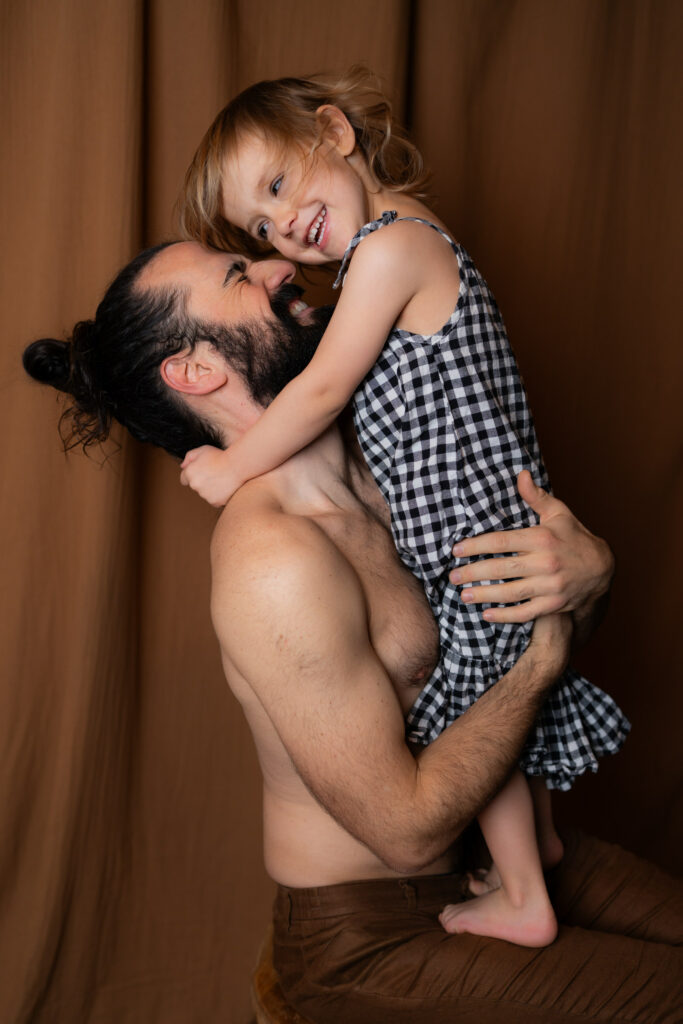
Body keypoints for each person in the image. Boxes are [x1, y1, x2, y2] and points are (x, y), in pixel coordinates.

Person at [23, 241, 683, 1022]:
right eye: (238, 277)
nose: (275, 265)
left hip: (496, 856)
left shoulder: (398, 453)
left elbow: (529, 626)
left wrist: (589, 574)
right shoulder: (273, 558)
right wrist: (542, 660)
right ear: (197, 370)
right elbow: (404, 833)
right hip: (373, 936)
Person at [175, 69, 629, 945]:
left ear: (336, 133)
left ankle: (524, 895)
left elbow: (319, 394)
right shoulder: (387, 252)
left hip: (472, 527)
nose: (284, 231)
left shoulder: (390, 249)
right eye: (260, 226)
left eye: (280, 186)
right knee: (493, 682)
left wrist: (233, 466)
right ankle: (529, 849)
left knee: (474, 701)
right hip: (471, 521)